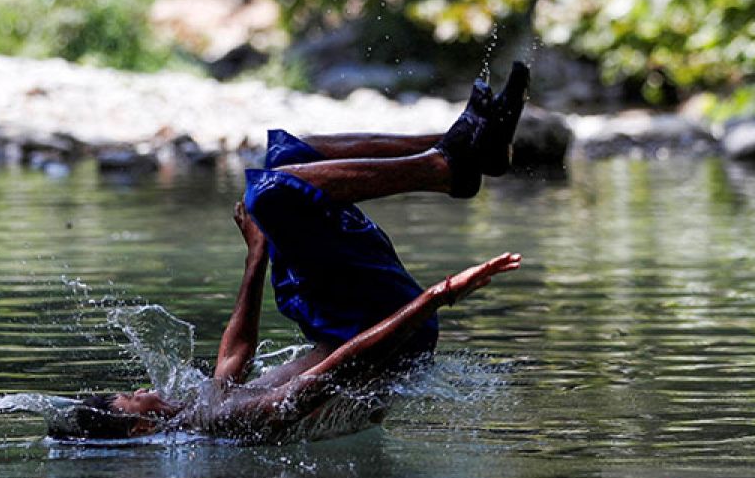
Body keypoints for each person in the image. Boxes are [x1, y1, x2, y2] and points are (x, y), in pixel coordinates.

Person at [59, 62, 530, 443]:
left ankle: (468, 145)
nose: (140, 389)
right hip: (390, 332)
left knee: (286, 158)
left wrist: (256, 254)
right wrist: (437, 295)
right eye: (130, 397)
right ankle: (447, 165)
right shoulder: (226, 424)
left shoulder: (199, 409)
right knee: (272, 195)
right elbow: (333, 370)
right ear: (141, 426)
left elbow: (232, 357)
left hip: (343, 321)